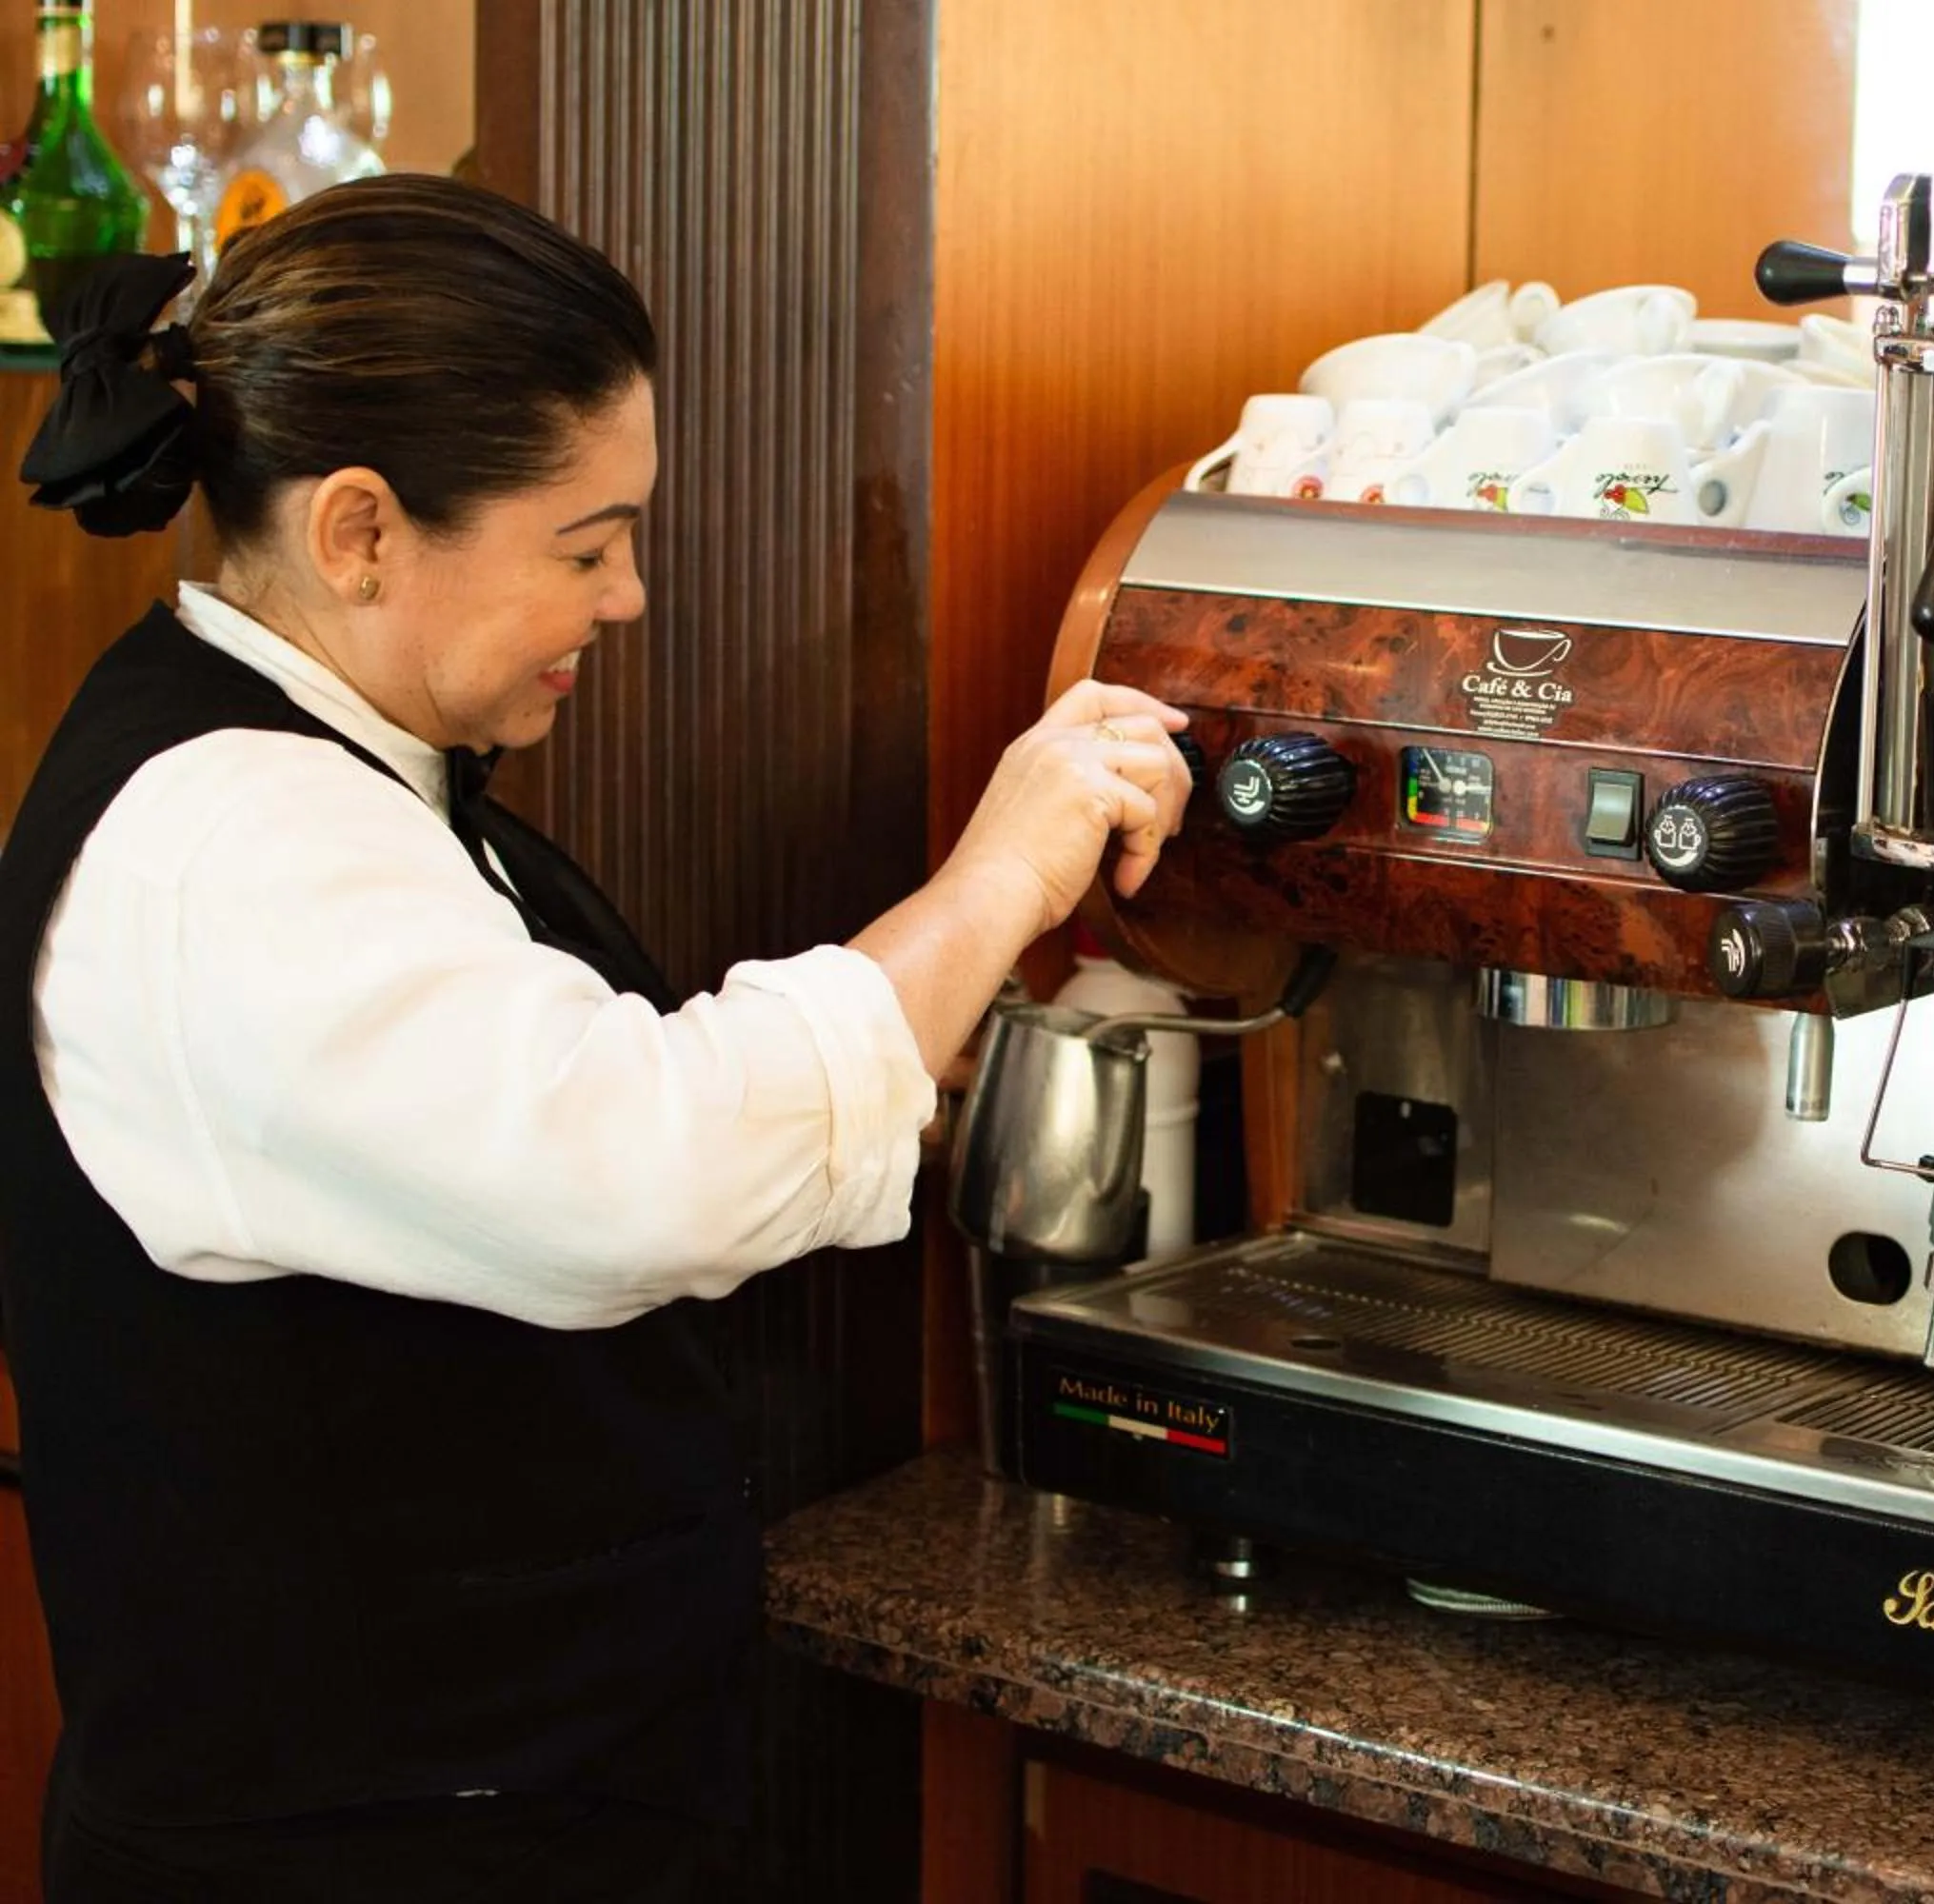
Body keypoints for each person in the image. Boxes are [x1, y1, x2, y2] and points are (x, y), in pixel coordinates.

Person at [0, 176, 1190, 1900]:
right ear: (360, 532)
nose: (628, 596)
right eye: (585, 544)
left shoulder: (326, 767)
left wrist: (909, 1041)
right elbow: (641, 1166)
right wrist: (999, 876)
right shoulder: (234, 837)